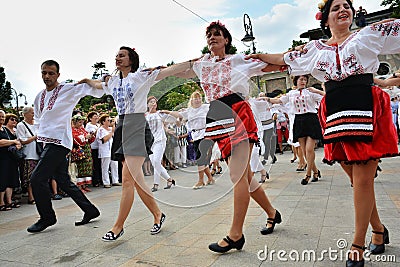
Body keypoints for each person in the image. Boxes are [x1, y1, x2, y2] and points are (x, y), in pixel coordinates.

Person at [247, 1, 399, 265]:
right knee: (356, 179)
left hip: (365, 104)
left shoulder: (369, 35)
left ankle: (357, 244)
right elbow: (283, 59)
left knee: (363, 179)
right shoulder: (315, 49)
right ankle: (378, 229)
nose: (343, 10)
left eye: (347, 6)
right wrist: (257, 56)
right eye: (336, 7)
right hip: (336, 111)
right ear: (325, 18)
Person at [174, 21, 282, 253]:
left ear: (226, 40)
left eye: (217, 34)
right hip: (216, 115)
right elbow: (176, 71)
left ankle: (236, 234)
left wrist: (269, 55)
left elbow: (271, 66)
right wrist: (150, 75)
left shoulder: (238, 60)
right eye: (209, 35)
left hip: (237, 113)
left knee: (237, 176)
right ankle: (272, 213)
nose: (212, 38)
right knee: (247, 177)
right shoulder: (201, 64)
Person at [80, 46, 198, 241]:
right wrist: (85, 80)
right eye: (116, 55)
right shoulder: (113, 81)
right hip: (122, 126)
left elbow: (169, 70)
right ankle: (158, 215)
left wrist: (194, 62)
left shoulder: (141, 76)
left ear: (131, 60)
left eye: (122, 55)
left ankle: (118, 227)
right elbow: (98, 85)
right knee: (137, 181)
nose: (117, 58)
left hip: (136, 124)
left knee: (127, 179)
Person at [27, 60, 101, 233]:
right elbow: (39, 119)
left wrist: (90, 80)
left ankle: (47, 217)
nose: (47, 76)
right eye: (44, 72)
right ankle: (90, 210)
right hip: (48, 142)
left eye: (51, 73)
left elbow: (94, 90)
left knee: (37, 179)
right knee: (64, 181)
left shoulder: (67, 89)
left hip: (60, 142)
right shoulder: (39, 96)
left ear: (58, 75)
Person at [264, 75, 324, 185]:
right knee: (304, 150)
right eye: (301, 79)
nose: (303, 81)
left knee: (309, 149)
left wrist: (317, 90)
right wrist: (266, 99)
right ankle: (315, 171)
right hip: (299, 120)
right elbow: (279, 101)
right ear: (296, 81)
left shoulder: (310, 92)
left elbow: (325, 97)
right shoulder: (291, 93)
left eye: (305, 79)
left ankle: (308, 174)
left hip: (311, 119)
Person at [161, 91, 215, 188]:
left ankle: (200, 181)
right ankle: (210, 178)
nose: (198, 100)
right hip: (195, 135)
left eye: (199, 98)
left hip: (205, 134)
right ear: (192, 100)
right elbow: (178, 115)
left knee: (200, 157)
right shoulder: (189, 111)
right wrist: (168, 112)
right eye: (195, 98)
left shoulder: (206, 107)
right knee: (201, 159)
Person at [146, 96, 176, 192]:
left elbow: (178, 116)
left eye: (155, 102)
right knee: (155, 164)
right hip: (150, 142)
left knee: (156, 162)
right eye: (151, 102)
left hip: (160, 140)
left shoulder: (160, 114)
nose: (153, 103)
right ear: (147, 104)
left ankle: (156, 184)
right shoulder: (145, 116)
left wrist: (167, 112)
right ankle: (169, 180)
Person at [16, 107, 39, 204]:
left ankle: (38, 195)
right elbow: (23, 140)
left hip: (39, 153)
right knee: (29, 177)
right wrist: (35, 137)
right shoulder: (21, 125)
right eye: (32, 113)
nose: (33, 115)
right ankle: (31, 196)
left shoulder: (37, 124)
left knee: (38, 176)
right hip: (29, 154)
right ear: (25, 114)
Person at [0, 111, 22, 211]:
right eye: (0, 117)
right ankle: (1, 202)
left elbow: (16, 141)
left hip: (10, 157)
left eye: (3, 117)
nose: (1, 118)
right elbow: (1, 142)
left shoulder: (5, 129)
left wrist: (17, 145)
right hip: (2, 158)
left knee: (10, 179)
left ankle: (9, 201)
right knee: (2, 179)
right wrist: (13, 142)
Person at [72, 115, 95, 192]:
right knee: (80, 169)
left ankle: (85, 185)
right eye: (79, 122)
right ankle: (80, 186)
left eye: (82, 122)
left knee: (86, 169)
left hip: (87, 150)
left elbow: (88, 138)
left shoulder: (82, 129)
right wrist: (85, 137)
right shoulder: (73, 130)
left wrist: (91, 136)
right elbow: (76, 139)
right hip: (80, 151)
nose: (81, 124)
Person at [96, 114, 120, 188]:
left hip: (112, 150)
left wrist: (113, 129)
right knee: (105, 167)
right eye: (108, 120)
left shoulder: (110, 129)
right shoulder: (100, 130)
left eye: (110, 120)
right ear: (103, 122)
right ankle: (106, 182)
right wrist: (112, 133)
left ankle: (115, 180)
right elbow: (104, 139)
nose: (110, 122)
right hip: (105, 150)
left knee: (115, 165)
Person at [85, 111, 102, 187]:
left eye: (97, 116)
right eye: (94, 116)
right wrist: (100, 127)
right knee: (95, 164)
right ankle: (95, 181)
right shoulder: (89, 126)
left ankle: (101, 179)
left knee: (100, 164)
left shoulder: (98, 125)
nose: (96, 117)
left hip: (100, 146)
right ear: (90, 118)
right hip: (93, 146)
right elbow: (93, 134)